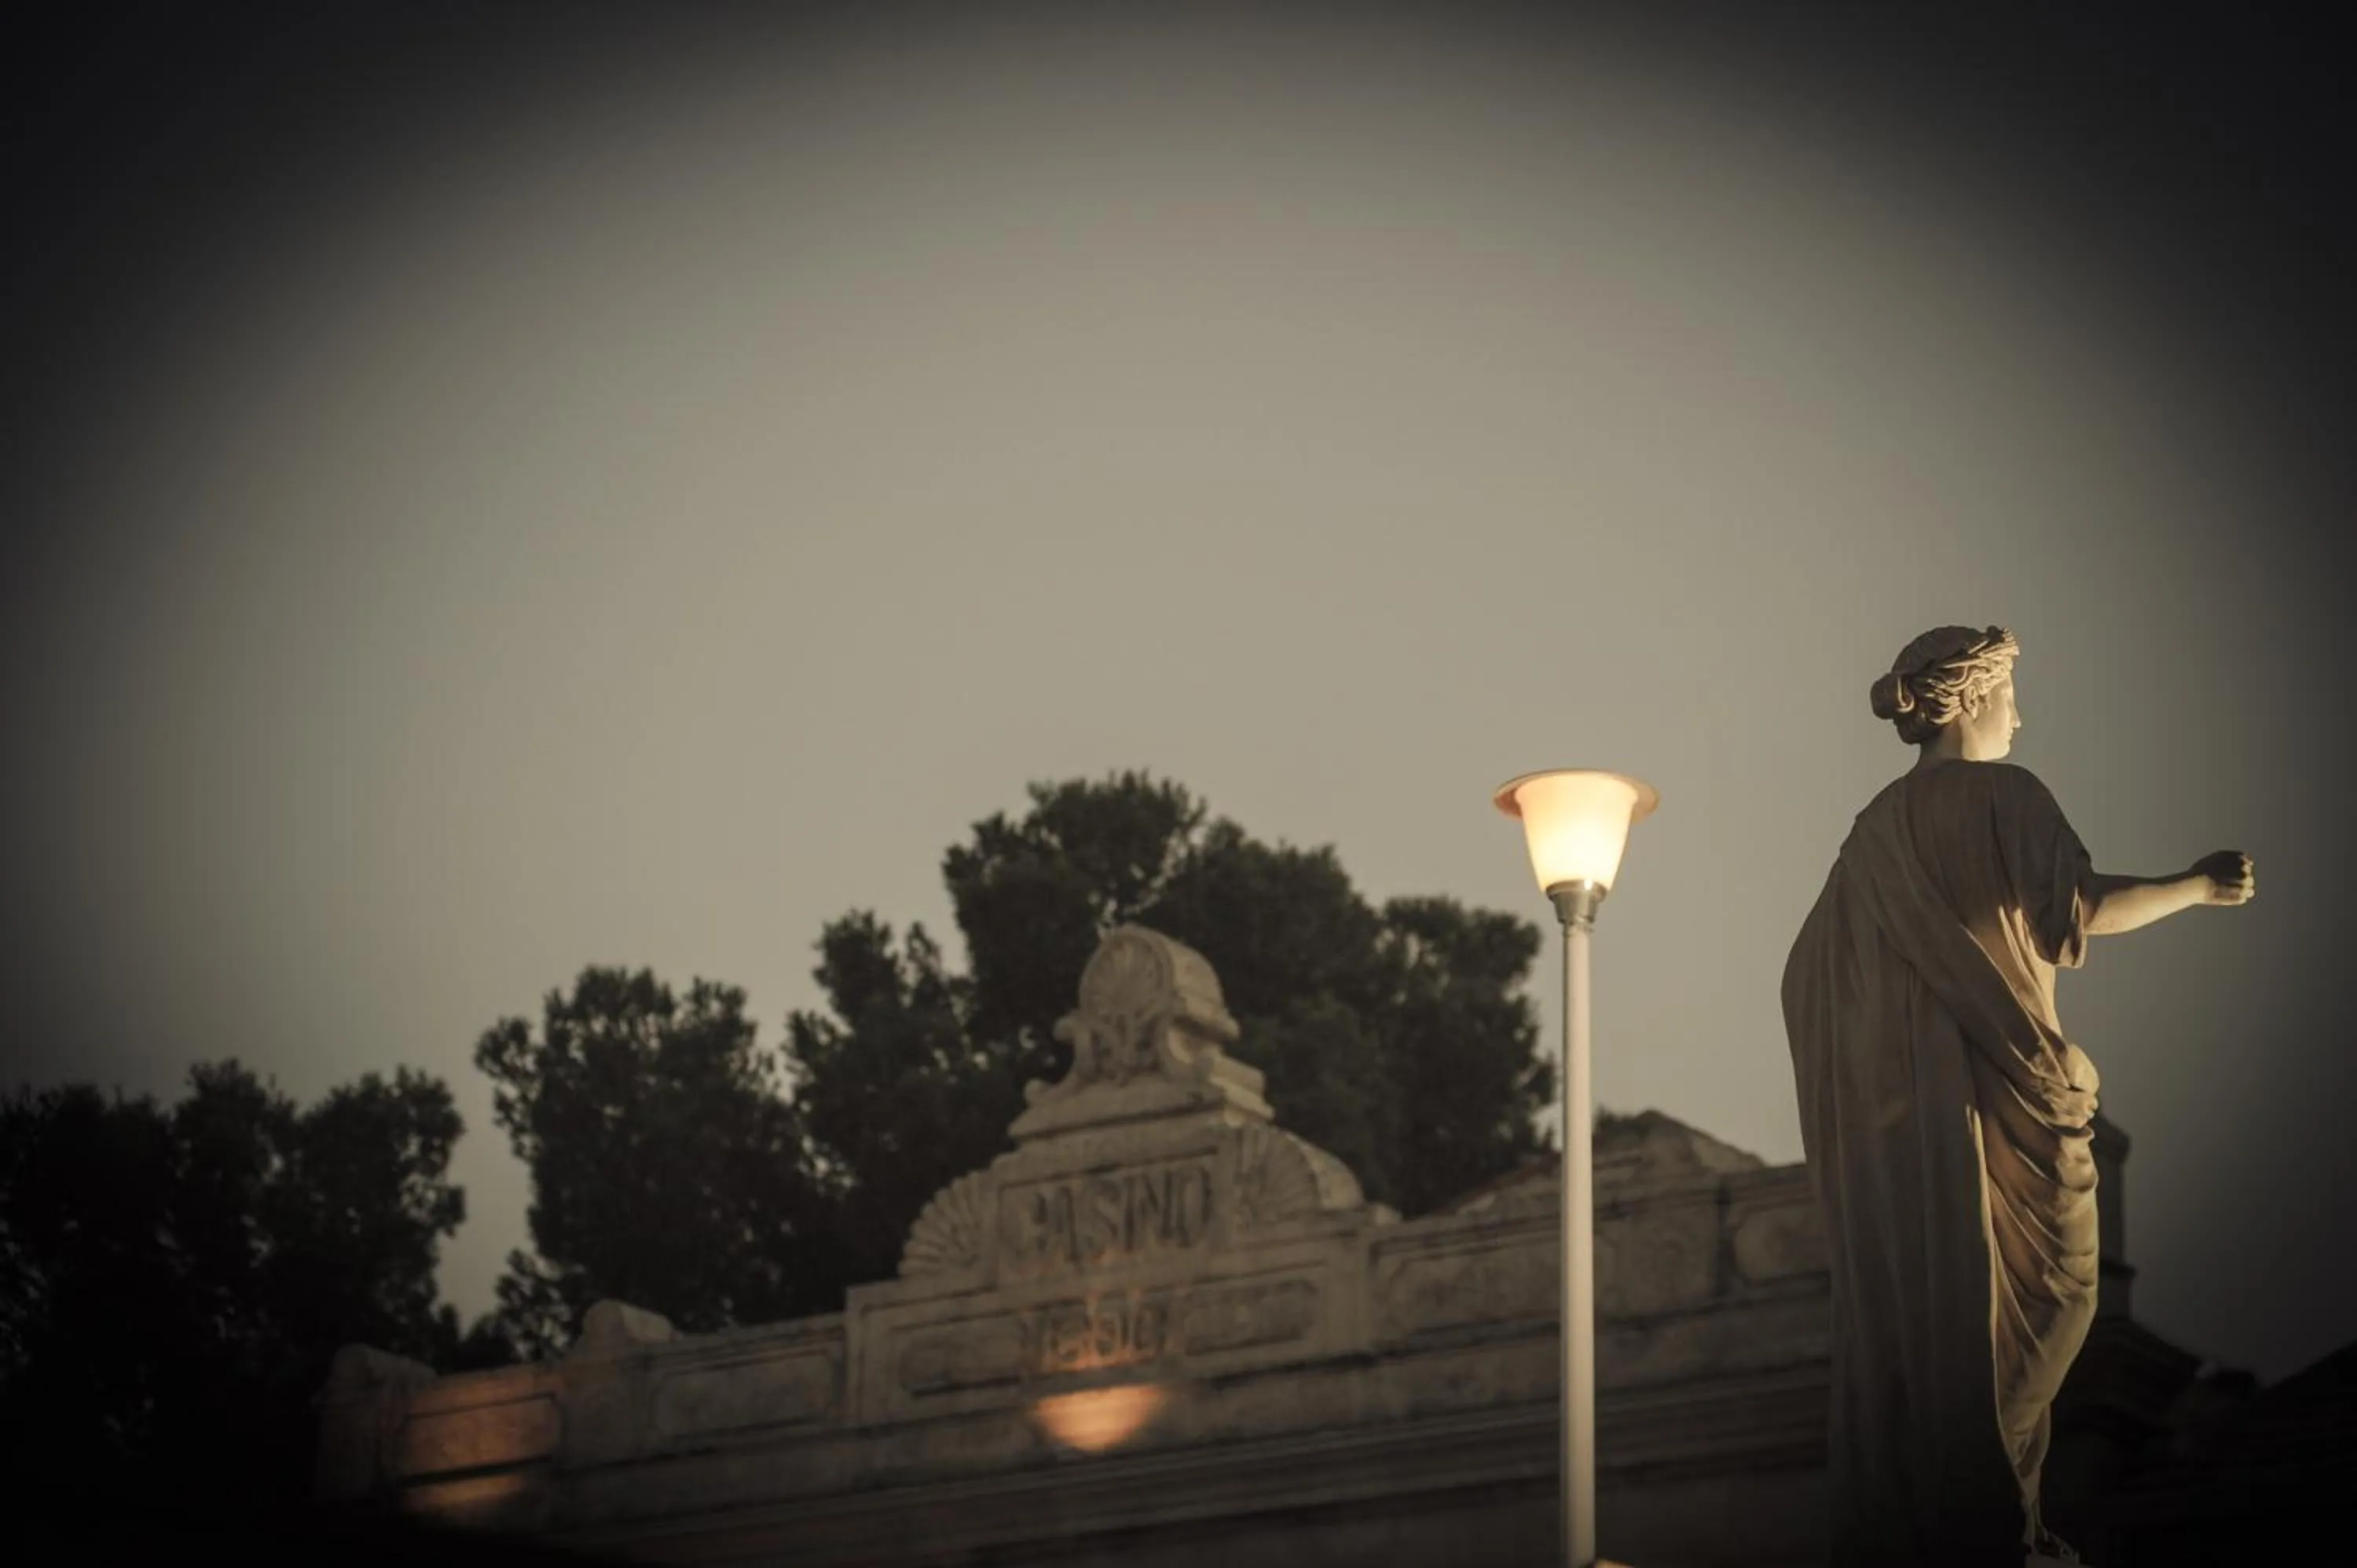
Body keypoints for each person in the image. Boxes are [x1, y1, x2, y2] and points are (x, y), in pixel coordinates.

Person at [1780, 625, 2255, 1566]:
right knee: (2056, 1304)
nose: (2021, 714)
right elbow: (2076, 911)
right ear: (1971, 698)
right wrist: (2195, 884)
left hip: (1919, 1123)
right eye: (2011, 695)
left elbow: (1807, 978)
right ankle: (1989, 1516)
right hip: (1998, 1097)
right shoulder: (2005, 793)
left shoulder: (1869, 838)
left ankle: (1988, 1509)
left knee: (1968, 1316)